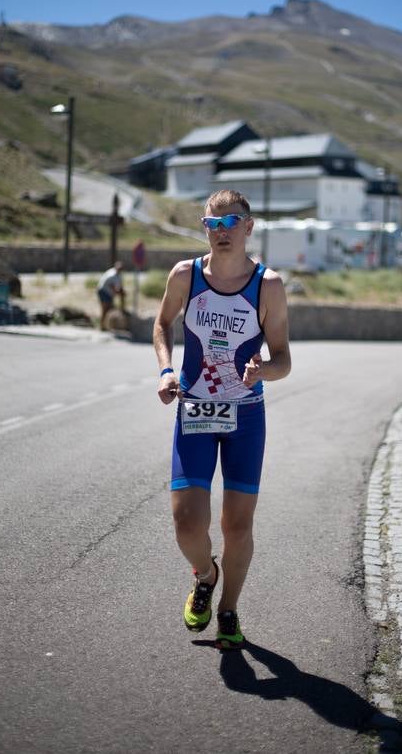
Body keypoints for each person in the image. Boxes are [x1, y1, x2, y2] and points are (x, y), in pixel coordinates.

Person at [153, 190, 291, 649]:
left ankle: (229, 609)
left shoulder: (267, 285)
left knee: (237, 525)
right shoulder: (185, 276)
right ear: (204, 228)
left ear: (249, 227)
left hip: (245, 416)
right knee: (186, 523)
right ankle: (206, 574)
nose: (223, 231)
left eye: (232, 222)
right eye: (214, 223)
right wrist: (167, 370)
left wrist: (264, 371)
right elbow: (161, 324)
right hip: (193, 407)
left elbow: (284, 358)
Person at [96, 261, 125, 330]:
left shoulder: (118, 275)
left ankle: (106, 325)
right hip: (103, 291)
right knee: (105, 308)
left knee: (110, 308)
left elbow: (119, 287)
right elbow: (113, 287)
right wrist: (120, 293)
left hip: (108, 292)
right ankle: (102, 326)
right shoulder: (112, 274)